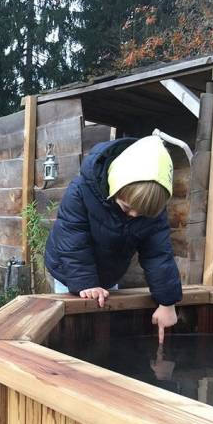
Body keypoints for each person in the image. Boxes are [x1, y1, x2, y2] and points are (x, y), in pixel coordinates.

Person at [44, 135, 182, 343]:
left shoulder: (152, 211)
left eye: (142, 213)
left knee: (104, 324)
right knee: (74, 329)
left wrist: (167, 303)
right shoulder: (81, 191)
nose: (134, 215)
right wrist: (85, 283)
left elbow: (158, 255)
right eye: (127, 207)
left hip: (110, 272)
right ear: (114, 186)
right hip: (69, 269)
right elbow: (72, 240)